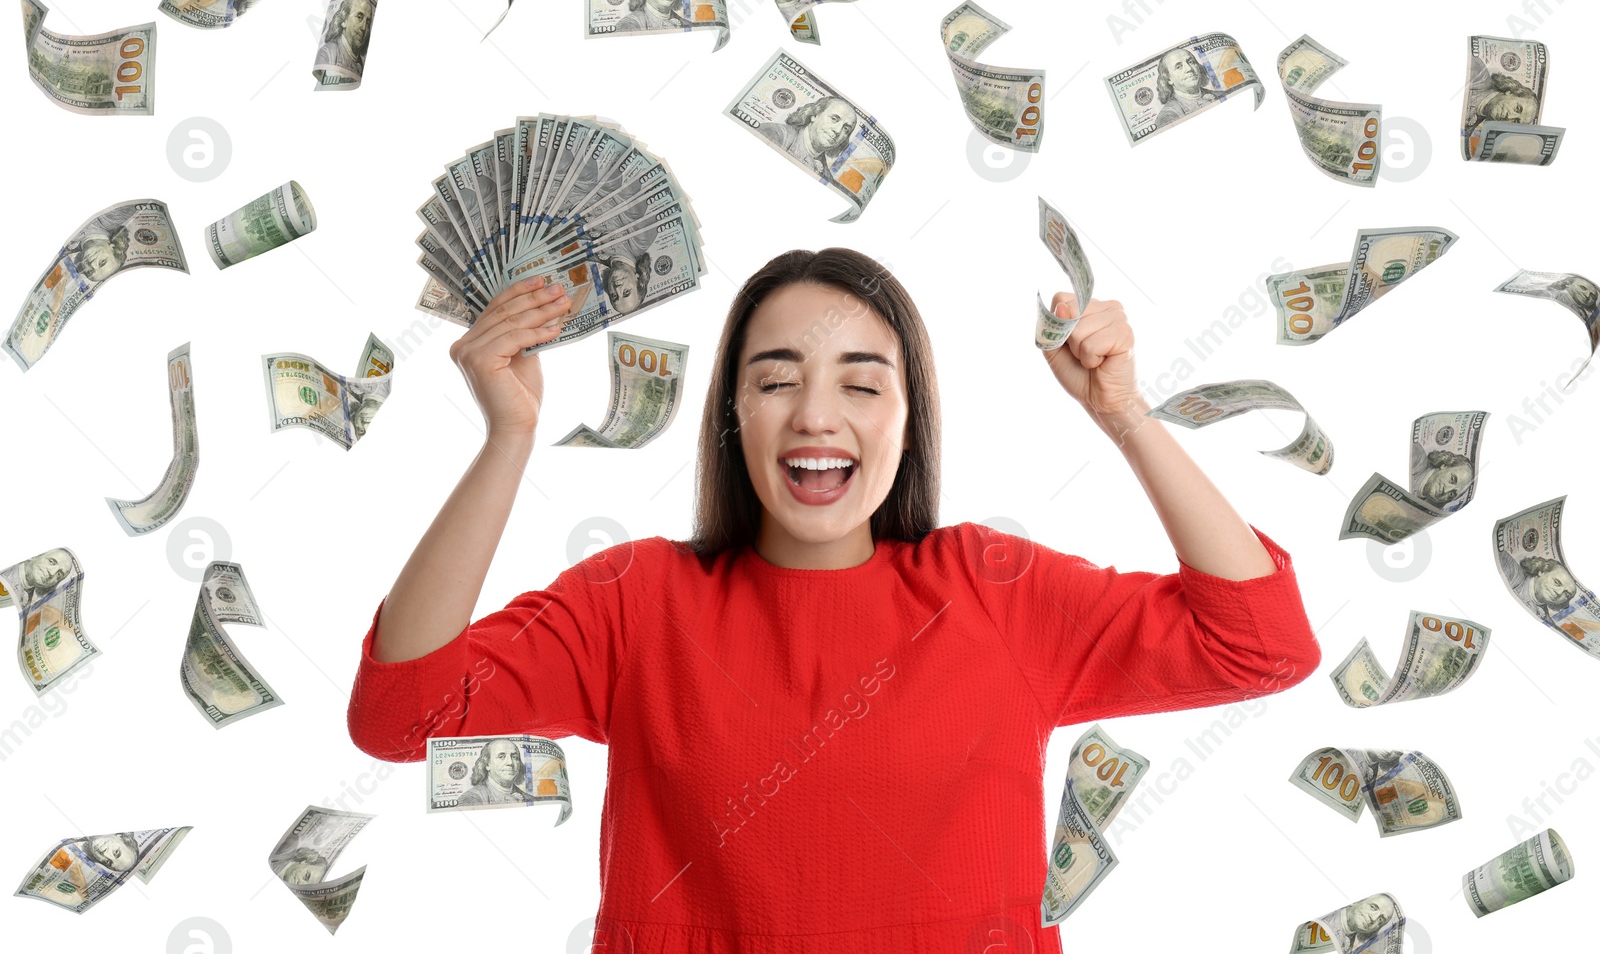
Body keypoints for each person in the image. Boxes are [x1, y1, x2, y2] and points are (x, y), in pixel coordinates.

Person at [347, 248, 1322, 951]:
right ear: (734, 414)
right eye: (776, 380)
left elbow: (1262, 644)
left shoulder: (991, 593)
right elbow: (400, 714)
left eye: (862, 384)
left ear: (907, 418)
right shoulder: (637, 602)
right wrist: (506, 438)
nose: (816, 414)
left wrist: (1124, 415)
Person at [457, 738, 537, 805]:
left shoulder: (530, 799)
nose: (510, 763)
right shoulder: (471, 799)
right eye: (501, 757)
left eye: (514, 757)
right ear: (487, 764)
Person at [1154, 47, 1219, 129]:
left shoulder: (1220, 94)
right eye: (1178, 67)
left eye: (1191, 62)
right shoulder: (1168, 115)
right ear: (1169, 79)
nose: (1189, 69)